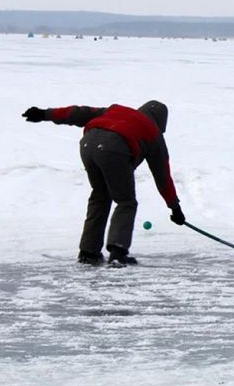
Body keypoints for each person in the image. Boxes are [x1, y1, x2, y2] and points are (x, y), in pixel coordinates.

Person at [22, 101, 185, 266]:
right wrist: (175, 208)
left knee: (100, 196)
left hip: (88, 144)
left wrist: (44, 114)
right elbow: (163, 176)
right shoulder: (153, 133)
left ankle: (88, 251)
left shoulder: (116, 110)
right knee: (126, 201)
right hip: (114, 148)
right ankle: (118, 252)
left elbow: (77, 113)